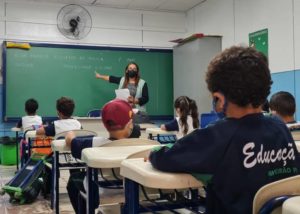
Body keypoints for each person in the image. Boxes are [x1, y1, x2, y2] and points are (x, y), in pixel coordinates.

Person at [149, 46, 300, 214]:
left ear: (219, 99)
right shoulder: (280, 128)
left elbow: (164, 158)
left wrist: (152, 153)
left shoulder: (217, 135)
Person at [65, 99, 141, 214]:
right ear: (130, 124)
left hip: (100, 192)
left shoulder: (93, 143)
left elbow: (70, 141)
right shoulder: (143, 145)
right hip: (135, 191)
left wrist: (70, 132)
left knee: (74, 180)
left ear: (104, 124)